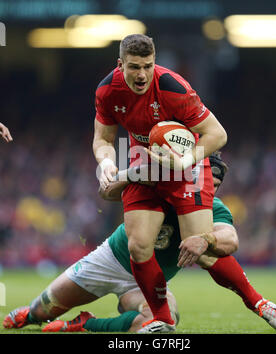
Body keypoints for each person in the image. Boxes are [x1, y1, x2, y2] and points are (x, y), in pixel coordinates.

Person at [3, 152, 276, 333]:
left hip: (147, 283)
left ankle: (84, 324)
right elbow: (108, 192)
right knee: (43, 309)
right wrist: (136, 173)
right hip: (110, 261)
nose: (210, 187)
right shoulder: (159, 186)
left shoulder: (213, 208)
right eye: (206, 178)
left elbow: (231, 239)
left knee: (164, 325)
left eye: (216, 182)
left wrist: (207, 238)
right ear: (190, 174)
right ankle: (30, 314)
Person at [93, 34, 227, 332]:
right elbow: (102, 139)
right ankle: (162, 317)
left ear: (155, 63)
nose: (141, 74)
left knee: (202, 251)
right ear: (120, 65)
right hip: (144, 159)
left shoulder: (172, 88)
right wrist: (106, 162)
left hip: (184, 163)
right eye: (134, 67)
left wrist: (183, 160)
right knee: (138, 243)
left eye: (148, 66)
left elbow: (218, 134)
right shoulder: (107, 90)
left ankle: (258, 303)